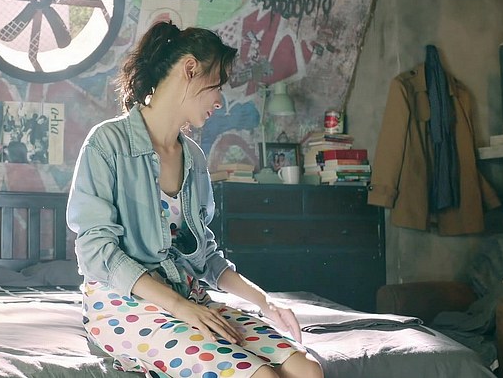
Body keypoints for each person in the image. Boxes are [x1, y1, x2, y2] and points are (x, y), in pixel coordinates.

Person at [67, 21, 323, 378]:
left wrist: (266, 303)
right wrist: (180, 308)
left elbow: (205, 258)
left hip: (188, 299)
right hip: (124, 304)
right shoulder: (107, 143)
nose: (219, 101)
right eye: (216, 86)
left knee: (307, 370)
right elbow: (97, 252)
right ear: (190, 69)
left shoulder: (194, 159)